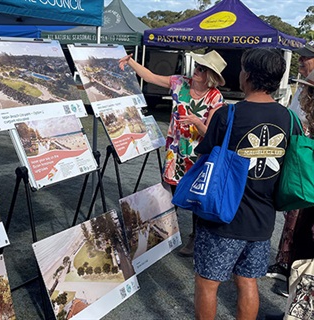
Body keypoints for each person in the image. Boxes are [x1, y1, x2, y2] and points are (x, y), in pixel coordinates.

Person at [193, 48, 302, 319]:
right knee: (248, 281)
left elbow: (205, 152)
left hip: (223, 217)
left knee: (208, 283)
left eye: (242, 70)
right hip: (263, 221)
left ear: (249, 76)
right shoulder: (290, 119)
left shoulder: (228, 115)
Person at [119, 50, 226, 256]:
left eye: (202, 69)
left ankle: (194, 238)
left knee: (196, 198)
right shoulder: (179, 82)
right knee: (171, 193)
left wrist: (196, 121)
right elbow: (150, 76)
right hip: (175, 151)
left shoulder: (215, 97)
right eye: (197, 66)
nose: (196, 70)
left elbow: (209, 134)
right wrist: (131, 62)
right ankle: (163, 235)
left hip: (197, 154)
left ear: (210, 76)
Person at [266, 41, 314, 292]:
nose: (301, 61)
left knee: (305, 233)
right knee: (295, 225)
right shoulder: (300, 90)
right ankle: (287, 270)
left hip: (308, 172)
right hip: (300, 168)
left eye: (306, 57)